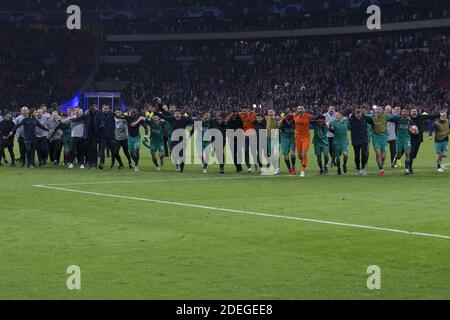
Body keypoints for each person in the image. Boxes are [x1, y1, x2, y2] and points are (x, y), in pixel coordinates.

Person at [157, 101, 194, 173]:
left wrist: (190, 133)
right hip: (170, 137)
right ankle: (177, 164)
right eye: (171, 108)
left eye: (173, 108)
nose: (172, 109)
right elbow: (162, 112)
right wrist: (159, 104)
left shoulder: (184, 118)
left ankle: (180, 168)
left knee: (181, 154)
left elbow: (194, 121)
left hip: (181, 139)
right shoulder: (169, 116)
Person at [366, 106, 399, 176]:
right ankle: (381, 169)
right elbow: (363, 116)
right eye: (376, 109)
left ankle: (381, 163)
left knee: (383, 156)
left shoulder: (386, 116)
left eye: (379, 109)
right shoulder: (371, 116)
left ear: (382, 111)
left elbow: (396, 117)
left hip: (384, 137)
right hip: (375, 137)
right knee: (378, 153)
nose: (377, 111)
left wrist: (405, 117)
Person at [409, 108, 439, 174]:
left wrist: (439, 114)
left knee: (414, 155)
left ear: (417, 112)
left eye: (415, 111)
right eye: (412, 111)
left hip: (418, 139)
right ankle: (409, 168)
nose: (414, 112)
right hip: (410, 139)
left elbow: (430, 116)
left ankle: (408, 158)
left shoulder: (421, 117)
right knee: (411, 153)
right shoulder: (408, 118)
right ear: (410, 112)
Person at [388, 109, 415, 174]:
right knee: (399, 155)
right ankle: (395, 158)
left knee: (407, 153)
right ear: (401, 113)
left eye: (405, 112)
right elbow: (388, 118)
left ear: (407, 113)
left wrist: (413, 130)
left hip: (407, 139)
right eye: (403, 112)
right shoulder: (397, 119)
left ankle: (406, 169)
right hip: (399, 140)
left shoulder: (409, 120)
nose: (404, 113)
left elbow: (413, 128)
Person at [348, 109, 372, 176]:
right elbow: (346, 125)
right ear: (355, 114)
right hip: (355, 140)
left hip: (364, 139)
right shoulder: (351, 119)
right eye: (357, 115)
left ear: (361, 114)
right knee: (357, 155)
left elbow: (373, 122)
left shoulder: (366, 118)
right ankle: (358, 168)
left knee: (364, 154)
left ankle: (363, 168)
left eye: (359, 115)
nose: (358, 116)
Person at [293, 105, 315, 177]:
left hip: (306, 137)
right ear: (297, 110)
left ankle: (302, 171)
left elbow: (317, 118)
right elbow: (285, 118)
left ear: (304, 110)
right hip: (297, 138)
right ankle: (302, 161)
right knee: (299, 155)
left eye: (302, 108)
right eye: (299, 108)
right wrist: (281, 121)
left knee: (304, 154)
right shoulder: (294, 115)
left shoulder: (308, 116)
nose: (300, 109)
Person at [238, 106, 257, 173]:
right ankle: (248, 166)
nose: (243, 112)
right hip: (245, 135)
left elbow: (252, 121)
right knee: (246, 150)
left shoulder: (253, 114)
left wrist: (248, 114)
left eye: (245, 111)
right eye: (242, 111)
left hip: (253, 134)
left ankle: (255, 163)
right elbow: (234, 114)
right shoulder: (240, 115)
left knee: (253, 150)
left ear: (248, 110)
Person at [98, 104, 116, 170]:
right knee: (102, 151)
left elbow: (120, 116)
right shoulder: (99, 114)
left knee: (113, 151)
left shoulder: (112, 114)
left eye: (107, 108)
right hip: (103, 137)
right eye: (104, 108)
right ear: (102, 108)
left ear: (109, 108)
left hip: (111, 137)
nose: (106, 109)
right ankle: (101, 163)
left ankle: (113, 164)